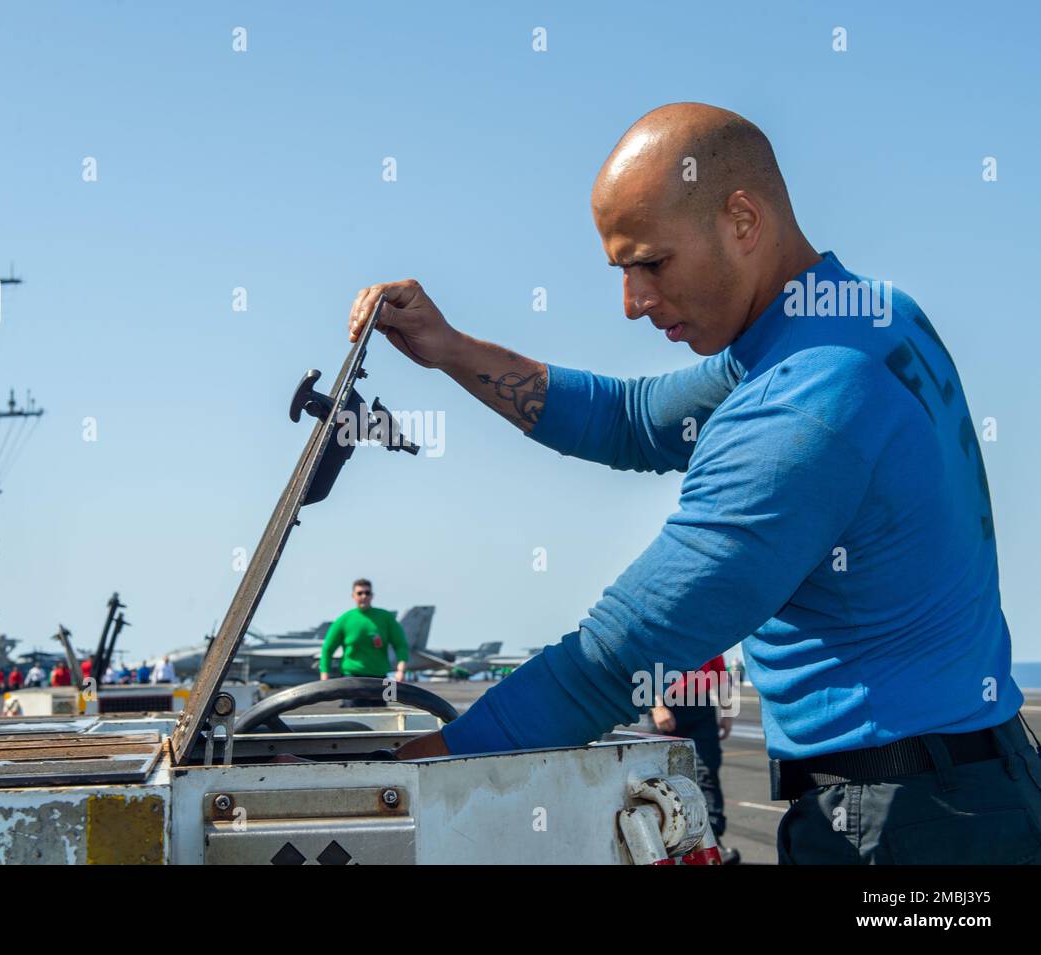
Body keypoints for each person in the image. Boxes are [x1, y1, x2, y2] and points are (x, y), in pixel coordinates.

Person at [361, 103, 1039, 864]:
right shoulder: (860, 315)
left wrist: (390, 783)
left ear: (742, 220)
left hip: (910, 822)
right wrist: (449, 349)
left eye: (651, 264)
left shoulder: (807, 406)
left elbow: (621, 655)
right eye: (622, 271)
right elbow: (634, 418)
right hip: (974, 785)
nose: (633, 302)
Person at [648, 656, 738, 863]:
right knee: (662, 777)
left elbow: (720, 673)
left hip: (701, 707)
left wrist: (728, 712)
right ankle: (664, 845)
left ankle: (711, 842)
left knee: (707, 772)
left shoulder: (706, 628)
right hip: (666, 705)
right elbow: (646, 665)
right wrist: (657, 707)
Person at [319, 579, 410, 708]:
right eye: (360, 593)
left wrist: (401, 671)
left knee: (382, 717)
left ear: (372, 596)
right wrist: (325, 677)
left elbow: (401, 645)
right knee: (354, 718)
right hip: (351, 678)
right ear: (353, 596)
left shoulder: (386, 617)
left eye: (367, 593)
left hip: (381, 678)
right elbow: (327, 649)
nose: (364, 596)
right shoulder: (344, 619)